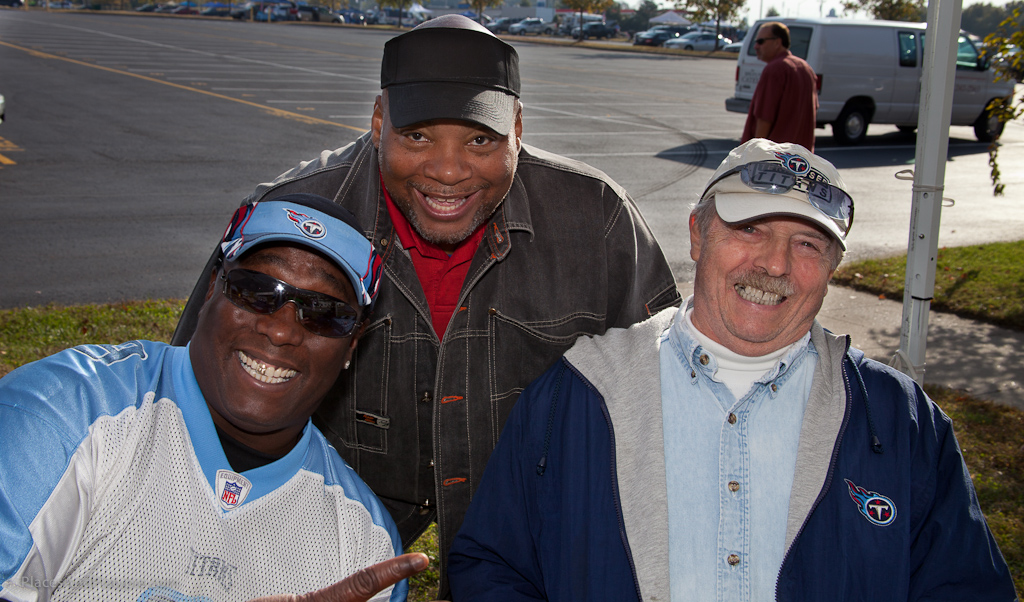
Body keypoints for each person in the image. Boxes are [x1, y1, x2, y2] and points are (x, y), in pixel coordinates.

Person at [170, 14, 681, 589]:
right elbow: (188, 386)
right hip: (336, 493)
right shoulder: (291, 214)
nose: (447, 171)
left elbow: (669, 390)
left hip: (530, 499)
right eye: (417, 136)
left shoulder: (598, 220)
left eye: (480, 140)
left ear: (517, 127)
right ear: (378, 120)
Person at [447, 139, 1017, 601]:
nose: (774, 264)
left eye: (808, 244)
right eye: (749, 229)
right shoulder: (577, 392)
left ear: (832, 267)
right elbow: (492, 564)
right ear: (697, 235)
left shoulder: (900, 421)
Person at [0, 193, 423, 602]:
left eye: (324, 313)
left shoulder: (364, 545)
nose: (280, 330)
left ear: (353, 344)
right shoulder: (60, 412)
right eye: (256, 291)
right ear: (210, 291)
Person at [741, 22, 819, 151]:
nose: (756, 46)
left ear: (777, 42)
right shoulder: (806, 68)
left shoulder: (775, 69)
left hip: (774, 160)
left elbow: (765, 117)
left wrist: (755, 153)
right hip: (800, 161)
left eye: (761, 41)